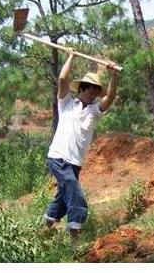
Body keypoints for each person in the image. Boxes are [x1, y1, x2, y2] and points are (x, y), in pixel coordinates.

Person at [43, 52, 118, 243]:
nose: (93, 94)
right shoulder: (66, 104)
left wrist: (113, 75)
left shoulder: (94, 111)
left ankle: (45, 230)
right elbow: (62, 79)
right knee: (76, 196)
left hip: (75, 162)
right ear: (82, 89)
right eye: (90, 90)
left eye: (96, 91)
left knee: (62, 197)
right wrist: (71, 56)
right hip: (59, 158)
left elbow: (110, 98)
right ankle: (74, 238)